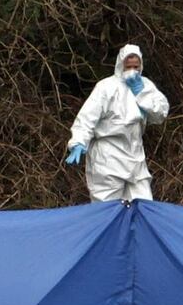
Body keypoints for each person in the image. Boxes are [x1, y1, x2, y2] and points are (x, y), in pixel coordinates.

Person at [65, 44, 170, 202]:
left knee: (143, 205)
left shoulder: (146, 85)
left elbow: (161, 113)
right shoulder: (106, 87)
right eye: (128, 66)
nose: (133, 70)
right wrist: (78, 141)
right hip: (108, 156)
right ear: (121, 65)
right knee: (108, 209)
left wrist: (141, 93)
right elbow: (87, 117)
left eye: (136, 66)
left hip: (135, 155)